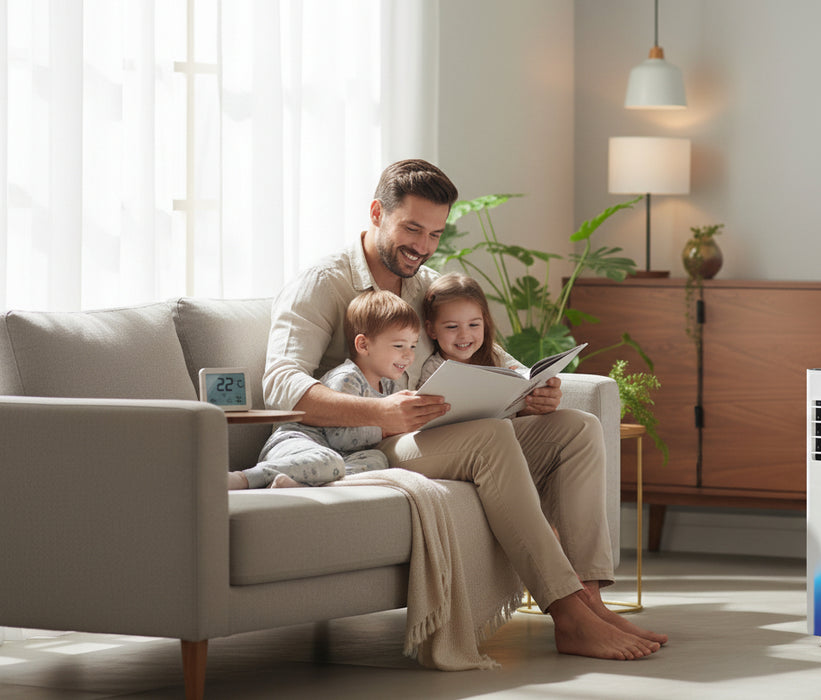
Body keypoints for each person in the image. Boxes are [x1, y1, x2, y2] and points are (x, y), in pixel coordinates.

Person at [263, 158, 667, 660]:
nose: (423, 246)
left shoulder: (425, 283)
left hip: (439, 433)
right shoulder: (322, 283)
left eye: (435, 233)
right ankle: (566, 614)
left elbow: (500, 362)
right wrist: (381, 413)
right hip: (376, 442)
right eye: (412, 228)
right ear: (376, 213)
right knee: (491, 438)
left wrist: (537, 390)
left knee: (576, 428)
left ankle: (588, 596)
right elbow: (279, 386)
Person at [229, 290, 418, 490]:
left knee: (377, 459)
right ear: (363, 345)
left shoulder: (390, 386)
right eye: (399, 345)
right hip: (296, 443)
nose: (409, 356)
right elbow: (339, 437)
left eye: (413, 346)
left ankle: (298, 485)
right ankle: (243, 479)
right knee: (327, 460)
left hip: (334, 455)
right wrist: (385, 427)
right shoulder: (347, 378)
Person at [418, 271, 524, 385]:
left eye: (473, 325)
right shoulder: (433, 371)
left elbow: (524, 373)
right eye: (452, 326)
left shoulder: (494, 353)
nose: (464, 335)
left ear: (485, 322)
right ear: (431, 330)